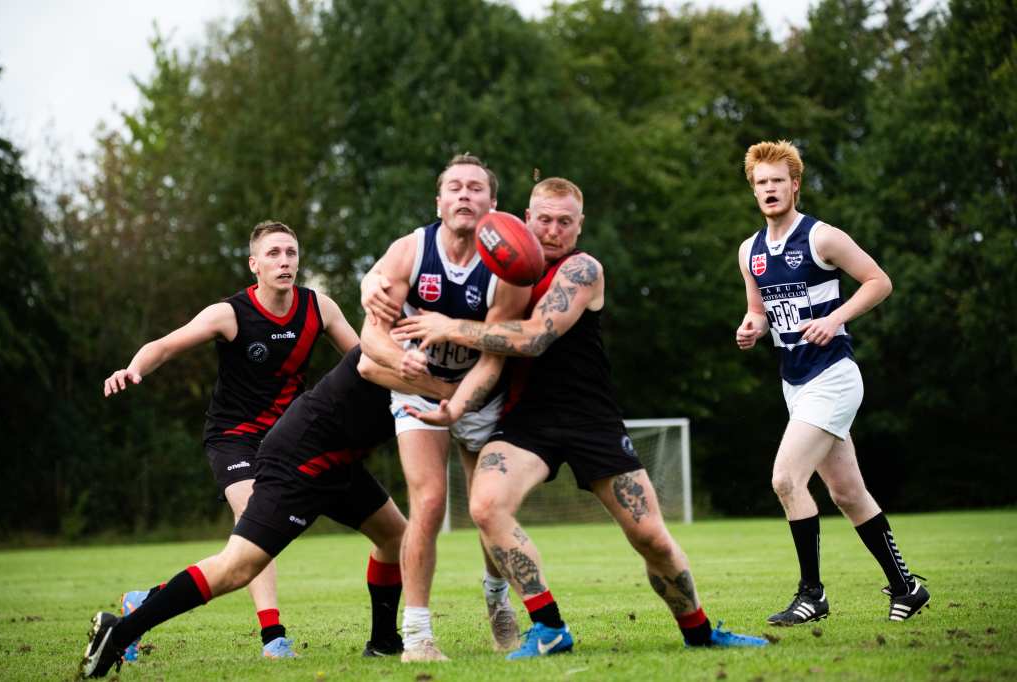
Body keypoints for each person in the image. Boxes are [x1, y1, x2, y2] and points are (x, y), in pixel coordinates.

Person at [392, 177, 768, 659]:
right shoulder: (501, 275)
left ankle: (699, 631)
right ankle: (548, 627)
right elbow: (482, 346)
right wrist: (454, 403)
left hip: (590, 419)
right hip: (526, 421)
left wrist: (451, 328)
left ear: (580, 226)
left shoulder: (582, 269)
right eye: (544, 220)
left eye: (564, 222)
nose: (553, 230)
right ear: (525, 220)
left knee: (649, 536)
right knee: (485, 506)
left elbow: (534, 338)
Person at [81, 345, 458, 678]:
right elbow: (368, 364)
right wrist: (453, 392)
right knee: (238, 566)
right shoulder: (397, 328)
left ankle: (383, 642)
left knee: (394, 536)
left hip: (339, 461)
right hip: (302, 455)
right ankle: (120, 632)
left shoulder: (450, 341)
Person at [102, 221, 359, 659]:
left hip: (288, 439)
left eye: (291, 252)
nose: (284, 261)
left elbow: (363, 361)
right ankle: (274, 639)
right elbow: (164, 345)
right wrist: (134, 368)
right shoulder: (230, 313)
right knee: (257, 517)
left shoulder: (320, 308)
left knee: (250, 547)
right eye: (273, 253)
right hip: (233, 438)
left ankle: (144, 602)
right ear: (254, 264)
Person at [734, 140, 930, 625]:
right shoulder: (750, 251)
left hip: (833, 377)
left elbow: (879, 281)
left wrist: (834, 318)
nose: (770, 189)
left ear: (795, 186)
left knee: (785, 478)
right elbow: (758, 311)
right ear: (753, 190)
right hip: (794, 382)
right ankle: (907, 588)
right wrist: (750, 327)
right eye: (761, 182)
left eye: (778, 181)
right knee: (847, 493)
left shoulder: (821, 237)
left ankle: (812, 594)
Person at [357, 154, 530, 661]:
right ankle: (417, 636)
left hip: (479, 392)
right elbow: (371, 335)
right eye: (455, 187)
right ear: (439, 201)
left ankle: (497, 599)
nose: (465, 195)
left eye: (476, 188)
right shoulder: (410, 250)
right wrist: (401, 361)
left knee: (489, 509)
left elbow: (494, 359)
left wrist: (456, 401)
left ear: (493, 204)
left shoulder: (508, 268)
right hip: (417, 387)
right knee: (429, 501)